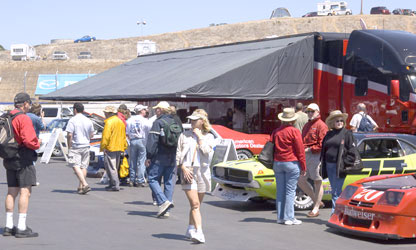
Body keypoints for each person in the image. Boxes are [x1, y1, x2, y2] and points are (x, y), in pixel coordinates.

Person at [3, 92, 40, 238]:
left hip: (8, 157)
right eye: (29, 104)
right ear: (25, 104)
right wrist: (38, 144)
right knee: (25, 191)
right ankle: (21, 227)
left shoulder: (7, 116)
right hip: (23, 158)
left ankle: (8, 225)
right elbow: (29, 140)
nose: (29, 106)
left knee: (11, 191)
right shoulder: (22, 118)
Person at [176, 109, 215, 243]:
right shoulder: (184, 135)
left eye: (194, 119)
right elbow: (178, 155)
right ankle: (199, 232)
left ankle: (190, 227)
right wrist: (182, 168)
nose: (191, 122)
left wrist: (200, 138)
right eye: (191, 119)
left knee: (196, 205)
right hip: (189, 171)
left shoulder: (209, 137)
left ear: (202, 121)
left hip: (202, 172)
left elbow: (207, 153)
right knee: (195, 204)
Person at [271, 108, 306, 225]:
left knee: (280, 190)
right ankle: (289, 217)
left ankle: (280, 217)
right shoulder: (294, 131)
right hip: (291, 162)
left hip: (277, 162)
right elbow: (300, 150)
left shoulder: (276, 131)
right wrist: (303, 166)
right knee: (290, 191)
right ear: (293, 119)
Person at [145, 101, 177, 217]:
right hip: (173, 156)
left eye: (157, 109)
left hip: (159, 156)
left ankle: (163, 202)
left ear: (162, 110)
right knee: (169, 181)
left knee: (152, 179)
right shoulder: (175, 122)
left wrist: (149, 156)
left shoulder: (158, 123)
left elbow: (152, 141)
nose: (156, 111)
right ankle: (166, 209)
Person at [297, 103, 328, 218]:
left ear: (318, 112)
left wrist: (309, 149)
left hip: (316, 156)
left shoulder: (321, 125)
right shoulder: (307, 125)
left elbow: (322, 144)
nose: (309, 113)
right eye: (308, 111)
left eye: (312, 111)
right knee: (300, 180)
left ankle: (316, 208)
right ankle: (317, 202)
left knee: (317, 181)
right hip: (306, 155)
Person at [321, 110, 351, 213]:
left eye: (341, 120)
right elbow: (324, 149)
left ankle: (336, 213)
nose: (340, 123)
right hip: (329, 165)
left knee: (336, 191)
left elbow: (352, 150)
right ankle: (338, 212)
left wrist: (346, 163)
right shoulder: (329, 134)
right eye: (337, 121)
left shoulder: (347, 133)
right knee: (334, 190)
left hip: (340, 166)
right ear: (333, 122)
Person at [66, 103, 95, 194]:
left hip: (76, 145)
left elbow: (69, 134)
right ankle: (81, 186)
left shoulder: (72, 120)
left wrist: (69, 145)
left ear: (75, 110)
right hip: (86, 145)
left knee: (75, 165)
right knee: (84, 166)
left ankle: (85, 184)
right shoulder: (88, 120)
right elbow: (92, 134)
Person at [100, 105, 128, 191]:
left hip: (111, 147)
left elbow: (106, 136)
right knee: (114, 166)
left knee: (111, 167)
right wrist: (124, 146)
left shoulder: (109, 122)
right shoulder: (120, 121)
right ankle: (112, 183)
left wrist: (103, 147)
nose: (104, 114)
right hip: (119, 146)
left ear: (108, 113)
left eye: (105, 112)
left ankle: (115, 185)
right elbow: (124, 135)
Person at [126, 104, 151, 187]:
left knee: (133, 160)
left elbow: (127, 132)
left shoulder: (130, 120)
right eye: (144, 110)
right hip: (142, 140)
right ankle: (140, 180)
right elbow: (148, 130)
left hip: (132, 140)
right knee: (141, 161)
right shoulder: (145, 120)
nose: (145, 111)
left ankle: (132, 179)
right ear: (141, 111)